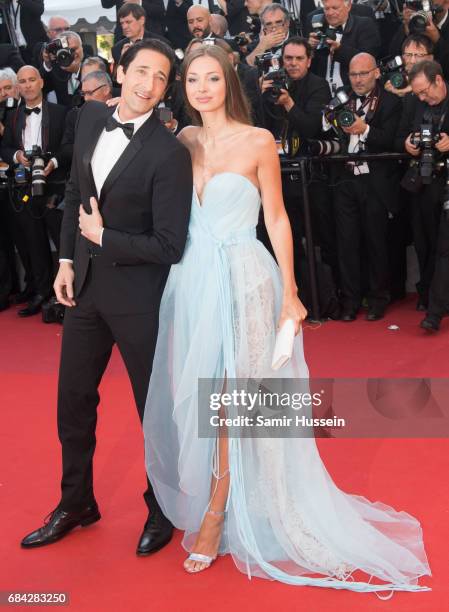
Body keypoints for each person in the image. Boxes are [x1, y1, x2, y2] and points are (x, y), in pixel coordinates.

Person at [143, 44, 430, 592]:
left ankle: (217, 511)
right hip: (192, 282)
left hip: (245, 280)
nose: (202, 88)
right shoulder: (181, 140)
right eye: (193, 80)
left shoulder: (258, 141)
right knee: (199, 392)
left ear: (229, 82)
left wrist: (292, 293)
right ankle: (223, 496)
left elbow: (276, 218)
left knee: (229, 397)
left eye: (212, 78)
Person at [20, 40, 193, 555]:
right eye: (141, 71)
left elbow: (169, 244)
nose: (148, 85)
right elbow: (77, 193)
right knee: (72, 401)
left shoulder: (170, 153)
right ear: (118, 70)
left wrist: (102, 239)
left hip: (140, 299)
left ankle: (162, 507)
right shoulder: (91, 118)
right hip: (86, 291)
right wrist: (67, 261)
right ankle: (76, 501)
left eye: (161, 78)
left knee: (153, 411)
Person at [1, 65, 68, 317]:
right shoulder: (13, 116)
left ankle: (65, 293)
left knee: (62, 242)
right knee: (34, 242)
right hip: (25, 188)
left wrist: (54, 162)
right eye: (23, 82)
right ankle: (42, 292)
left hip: (55, 187)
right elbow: (5, 148)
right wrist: (18, 156)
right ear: (18, 87)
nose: (27, 85)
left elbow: (68, 146)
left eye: (31, 80)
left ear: (41, 82)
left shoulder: (61, 113)